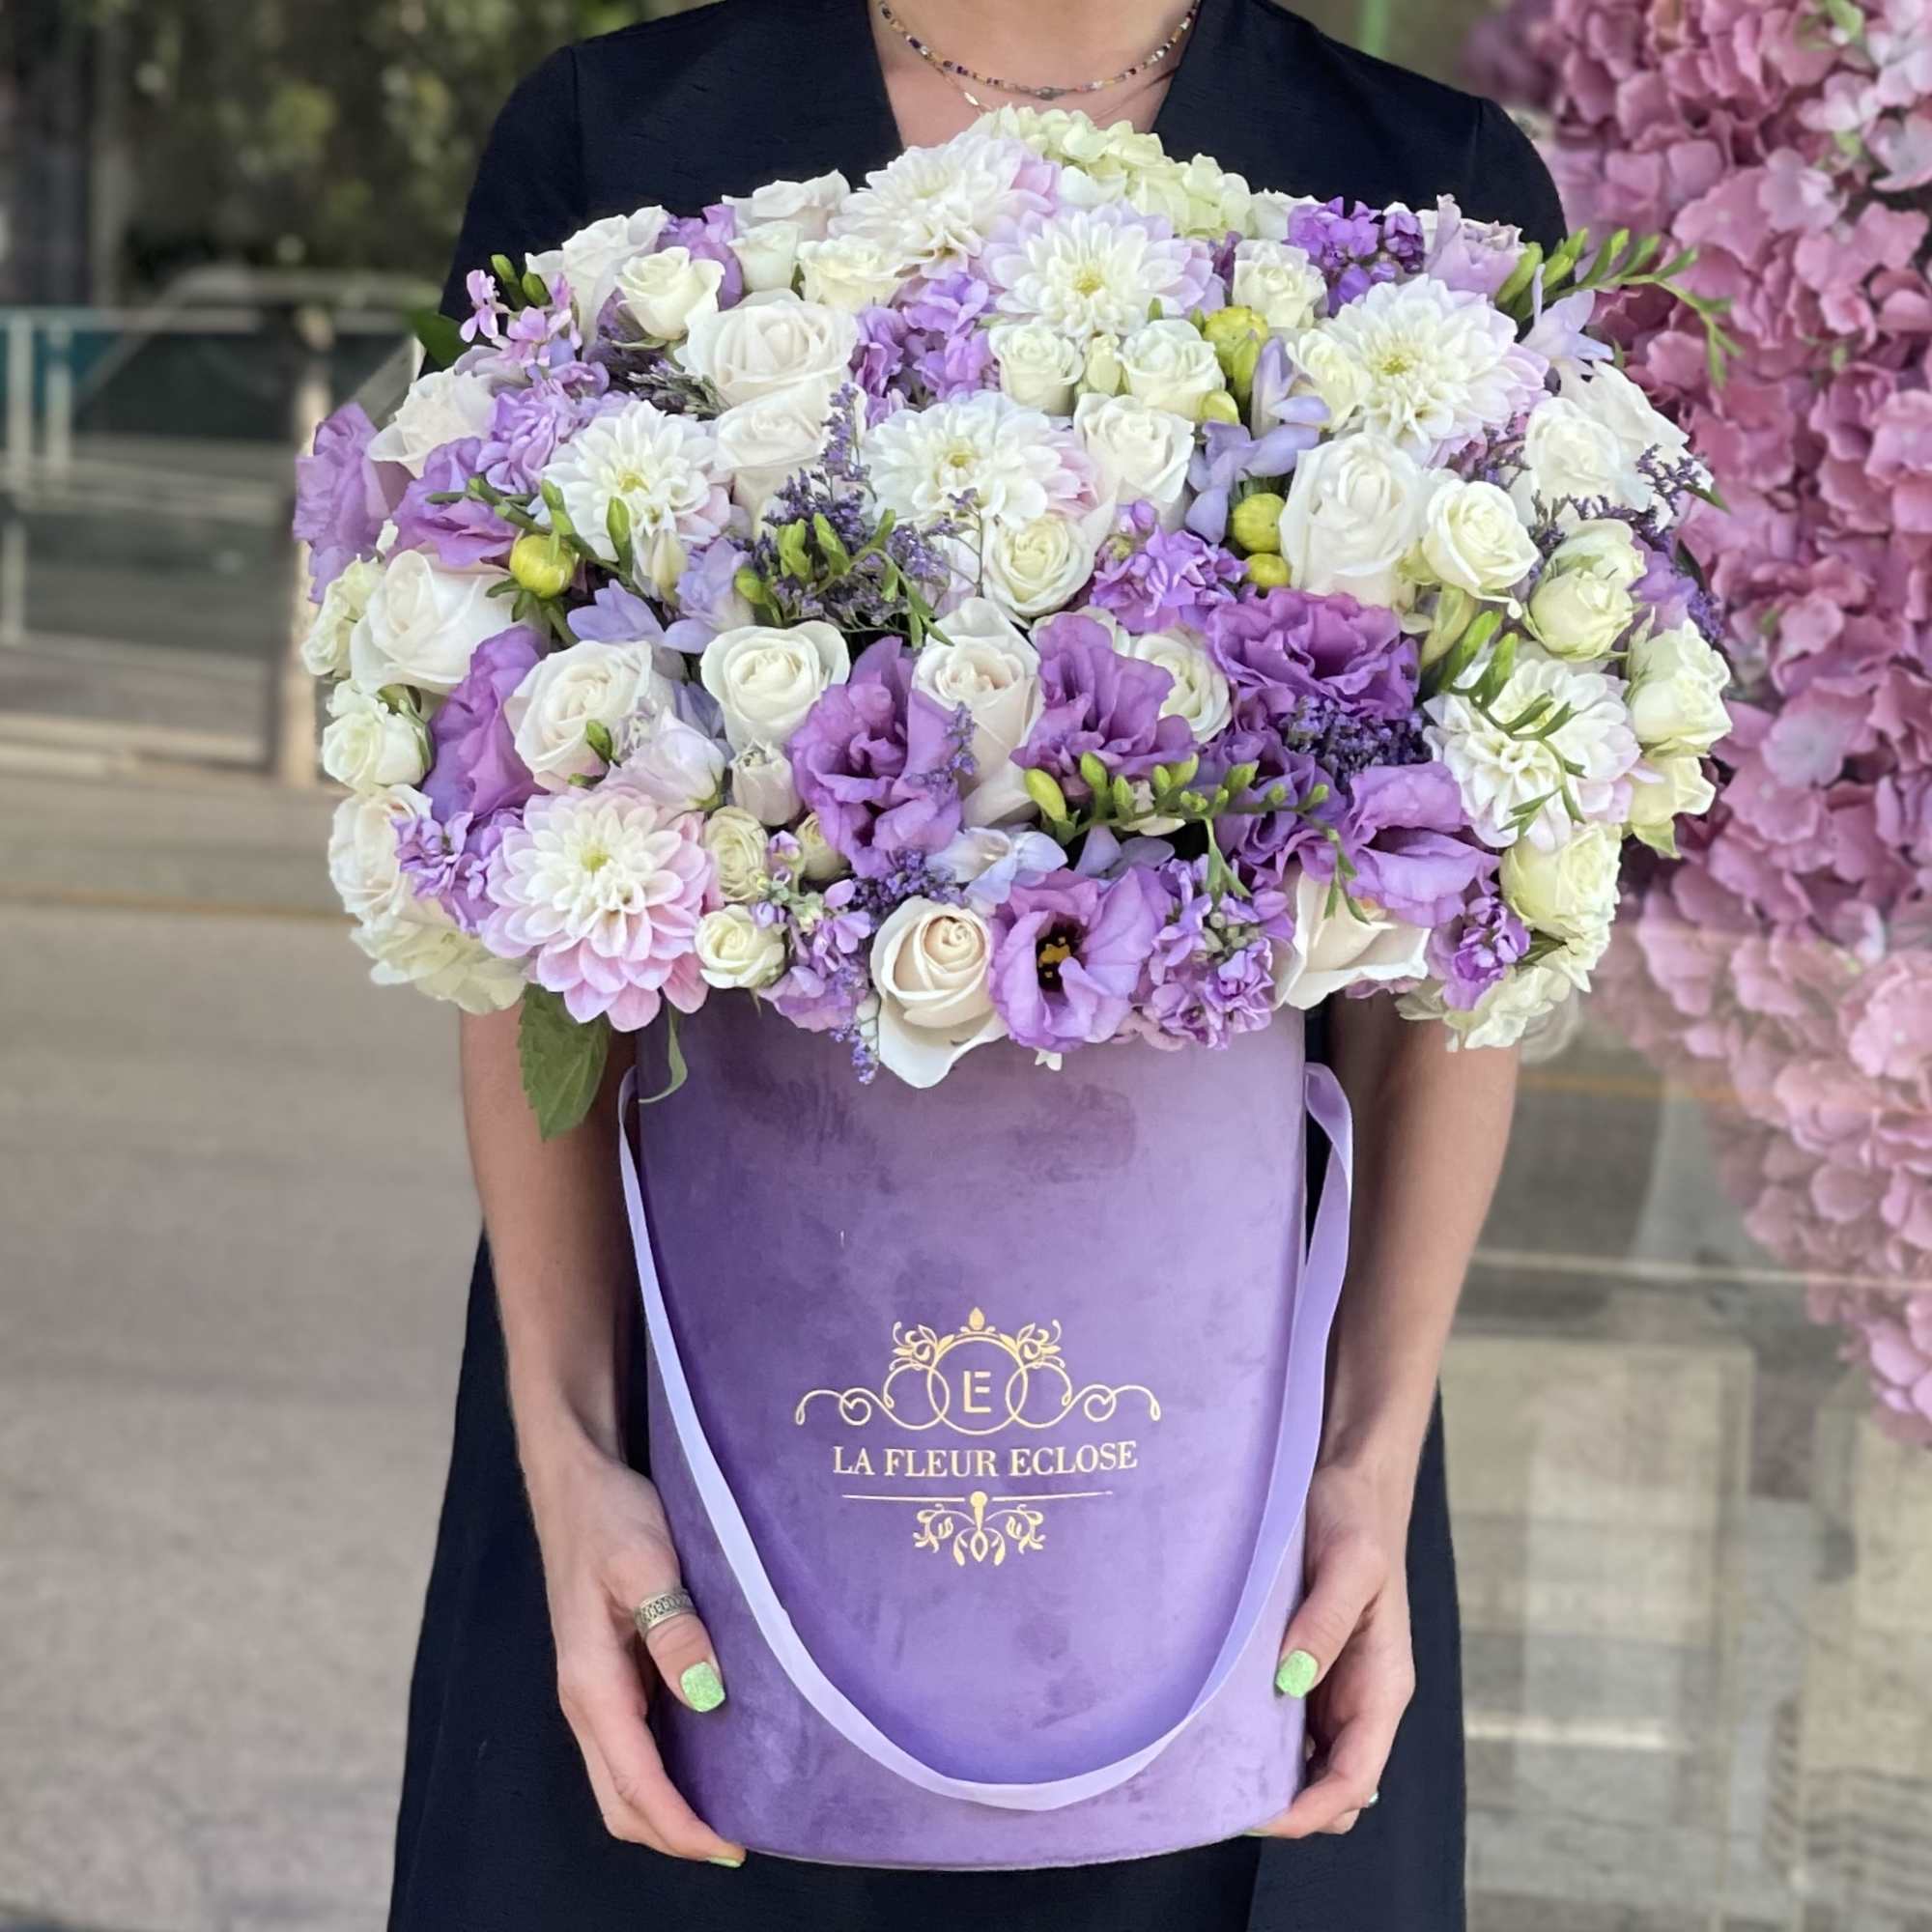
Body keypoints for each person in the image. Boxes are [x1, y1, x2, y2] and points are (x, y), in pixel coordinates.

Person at [389, 2, 1557, 1926]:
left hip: (1219, 1476)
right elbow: (511, 862)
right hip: (698, 1440)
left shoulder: (1420, 188)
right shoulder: (625, 131)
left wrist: (1369, 1443)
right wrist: (564, 1435)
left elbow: (1460, 939)